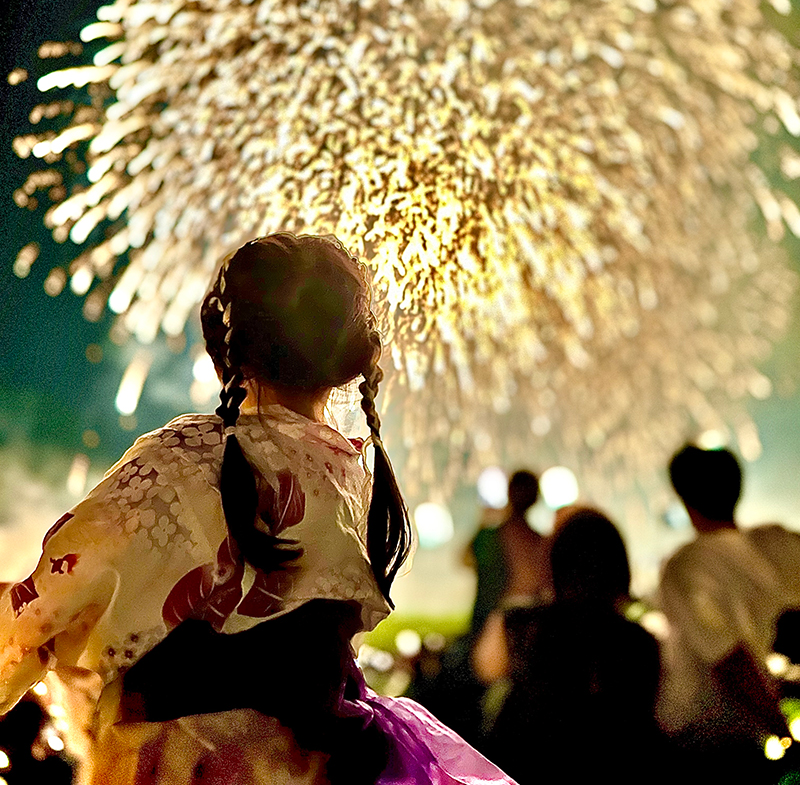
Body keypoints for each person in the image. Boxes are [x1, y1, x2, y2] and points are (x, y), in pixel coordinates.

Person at [0, 233, 519, 785]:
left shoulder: (182, 460)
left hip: (182, 767)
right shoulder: (349, 478)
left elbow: (46, 604)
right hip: (315, 768)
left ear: (228, 345)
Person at [480, 508, 663, 782]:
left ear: (554, 563)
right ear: (618, 567)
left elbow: (487, 669)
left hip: (530, 764)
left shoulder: (521, 625)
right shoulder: (638, 639)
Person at [658, 444, 800, 781]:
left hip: (711, 745)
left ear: (685, 498)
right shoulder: (782, 544)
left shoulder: (686, 567)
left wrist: (782, 737)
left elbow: (729, 660)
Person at [465, 471, 549, 639]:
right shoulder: (541, 542)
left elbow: (466, 559)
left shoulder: (489, 537)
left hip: (490, 629)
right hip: (522, 629)